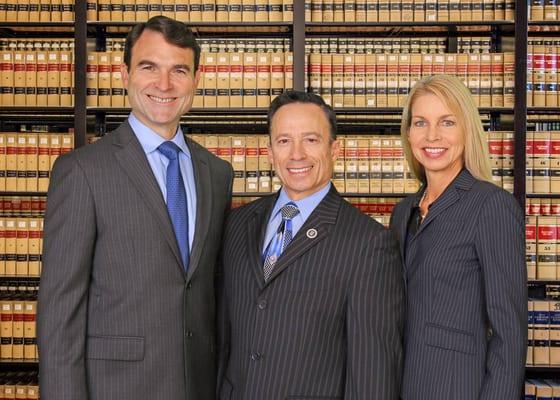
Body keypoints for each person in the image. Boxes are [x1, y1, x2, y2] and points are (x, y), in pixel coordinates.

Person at [37, 16, 233, 400]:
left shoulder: (218, 174)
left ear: (197, 78)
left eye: (179, 70)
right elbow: (60, 314)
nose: (164, 84)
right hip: (117, 388)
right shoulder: (82, 172)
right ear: (124, 73)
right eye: (149, 67)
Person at [217, 90, 405, 400]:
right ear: (269, 151)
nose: (297, 154)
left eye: (311, 140)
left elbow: (374, 375)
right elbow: (225, 341)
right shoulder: (237, 224)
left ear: (335, 149)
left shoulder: (368, 243)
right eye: (284, 141)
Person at [390, 74, 527, 400]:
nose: (432, 135)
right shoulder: (402, 212)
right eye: (420, 122)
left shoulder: (491, 206)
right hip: (399, 385)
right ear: (408, 133)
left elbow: (510, 334)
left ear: (467, 130)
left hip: (457, 388)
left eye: (447, 122)